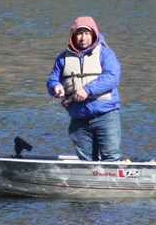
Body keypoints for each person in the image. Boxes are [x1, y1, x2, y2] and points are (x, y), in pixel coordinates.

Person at [47, 16, 122, 161]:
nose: (83, 38)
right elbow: (52, 80)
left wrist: (87, 90)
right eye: (79, 33)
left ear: (94, 34)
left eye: (87, 33)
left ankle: (112, 183)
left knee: (111, 157)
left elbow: (112, 77)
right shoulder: (63, 58)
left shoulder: (105, 54)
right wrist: (56, 87)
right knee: (86, 161)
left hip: (106, 116)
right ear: (73, 36)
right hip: (78, 118)